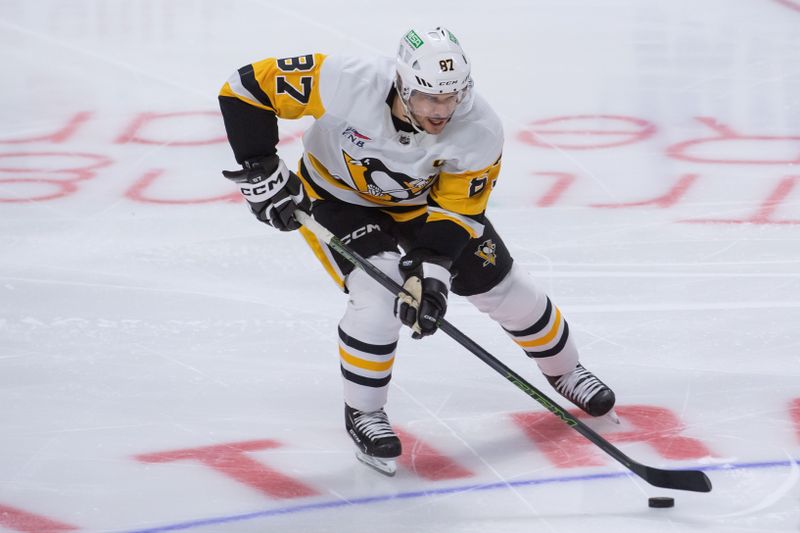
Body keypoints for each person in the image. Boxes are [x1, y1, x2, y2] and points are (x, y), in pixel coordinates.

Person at [219, 26, 616, 475]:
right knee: (378, 294)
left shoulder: (480, 127)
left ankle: (565, 371)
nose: (441, 110)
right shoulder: (348, 79)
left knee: (506, 289)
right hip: (335, 198)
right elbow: (243, 88)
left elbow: (459, 212)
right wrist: (260, 166)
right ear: (402, 84)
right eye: (429, 98)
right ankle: (364, 413)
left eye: (452, 97)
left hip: (425, 207)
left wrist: (433, 279)